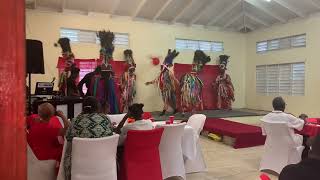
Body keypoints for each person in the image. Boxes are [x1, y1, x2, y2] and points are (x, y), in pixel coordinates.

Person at [63, 96, 113, 180]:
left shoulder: (75, 121)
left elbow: (68, 137)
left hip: (80, 165)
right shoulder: (106, 119)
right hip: (104, 164)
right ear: (97, 107)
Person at [145, 49, 180, 116]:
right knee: (167, 101)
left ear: (164, 67)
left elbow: (174, 79)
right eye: (161, 67)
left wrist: (178, 83)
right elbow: (156, 80)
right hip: (163, 90)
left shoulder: (169, 72)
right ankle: (173, 110)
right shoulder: (161, 74)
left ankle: (164, 111)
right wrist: (149, 82)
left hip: (168, 89)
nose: (160, 68)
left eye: (161, 67)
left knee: (168, 100)